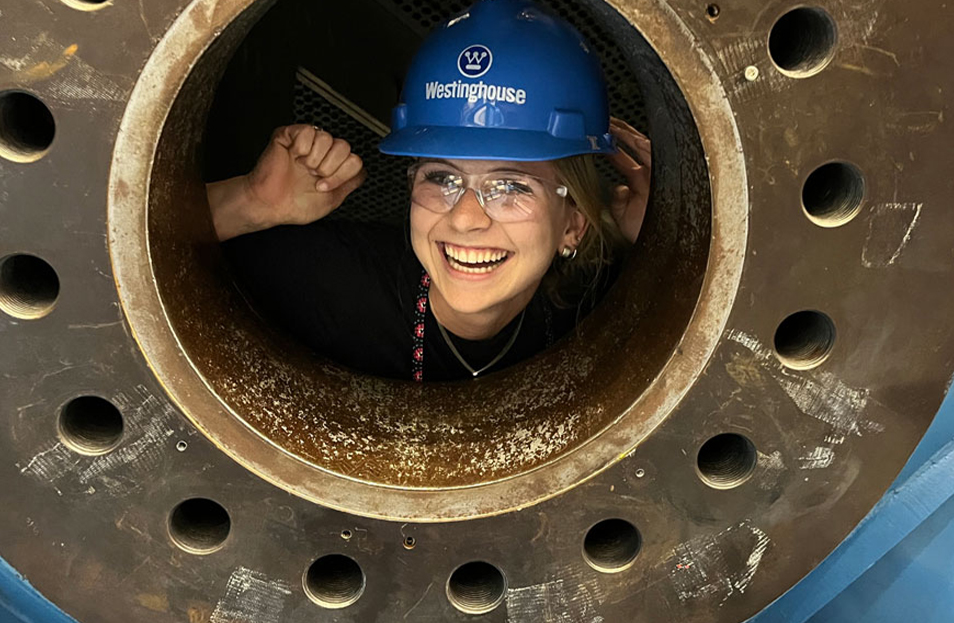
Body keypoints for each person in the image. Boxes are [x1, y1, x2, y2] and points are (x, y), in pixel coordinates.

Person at [206, 0, 651, 382]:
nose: (464, 218)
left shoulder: (600, 303)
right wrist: (249, 204)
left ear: (573, 225)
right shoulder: (334, 283)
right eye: (441, 179)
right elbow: (146, 258)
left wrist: (659, 238)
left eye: (511, 186)